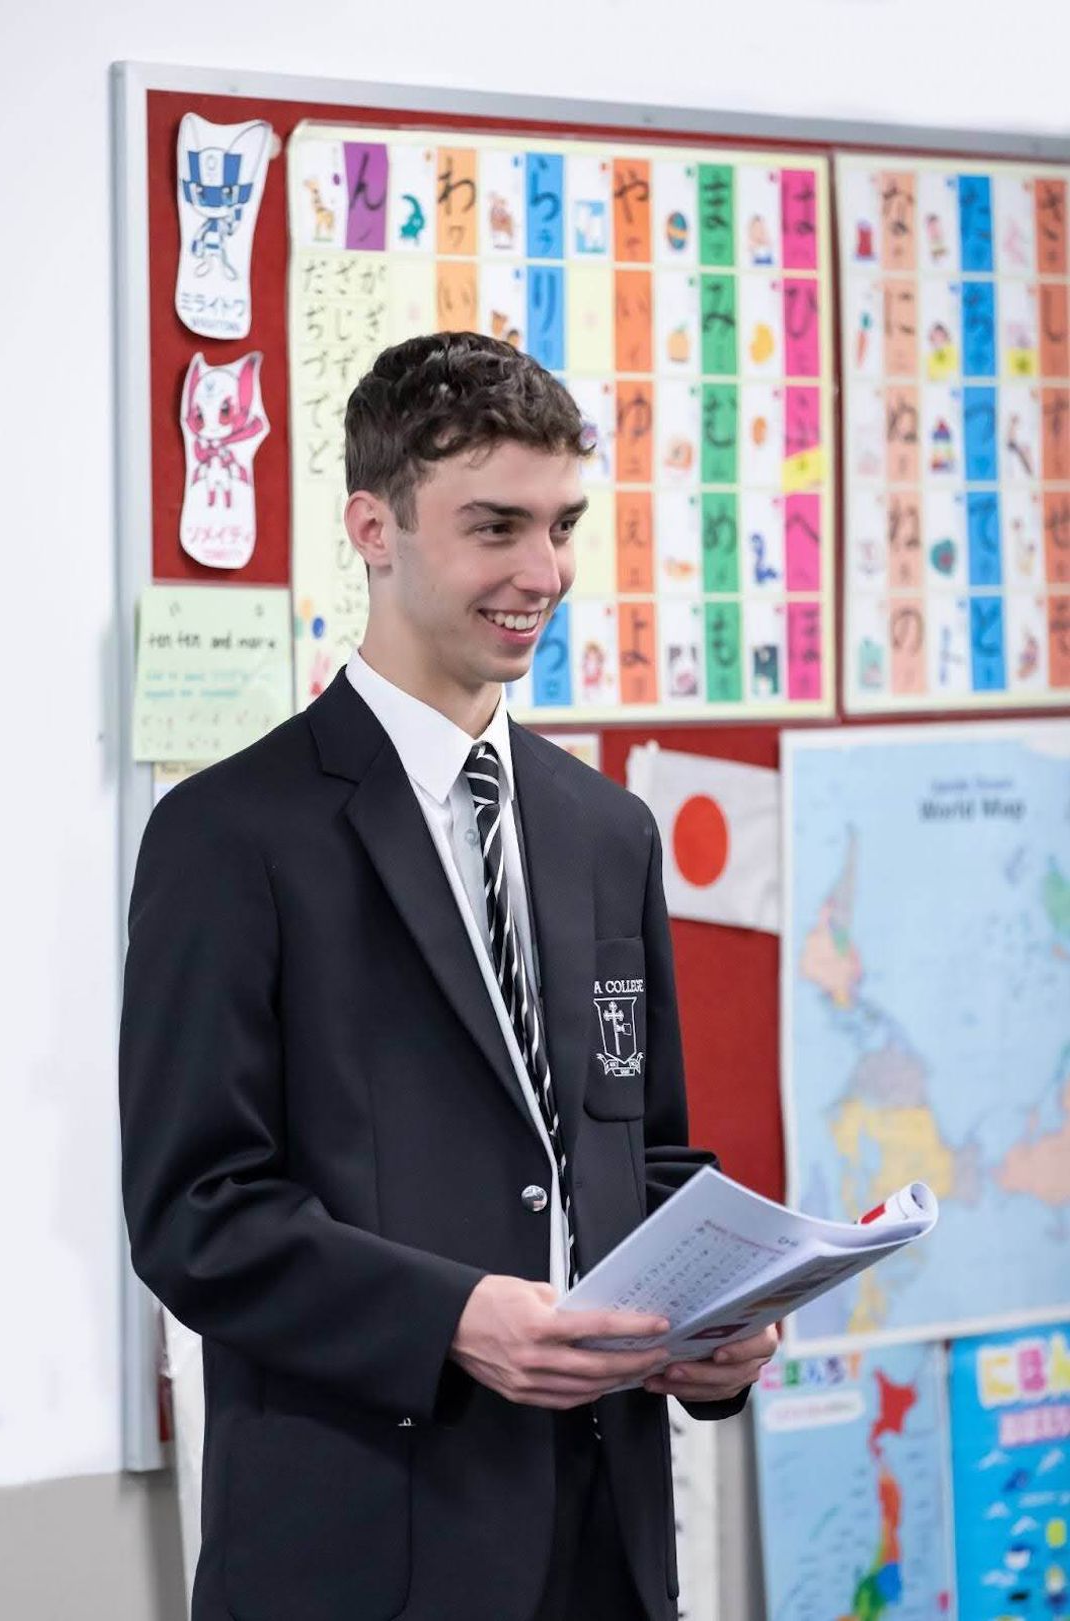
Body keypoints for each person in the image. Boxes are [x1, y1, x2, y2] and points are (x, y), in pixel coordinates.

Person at [119, 332, 777, 1621]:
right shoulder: (231, 834)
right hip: (366, 1546)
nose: (544, 573)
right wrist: (456, 1317)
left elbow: (634, 1152)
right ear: (374, 528)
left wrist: (717, 1326)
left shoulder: (606, 831)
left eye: (563, 526)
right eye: (496, 528)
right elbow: (197, 1212)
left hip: (608, 1541)